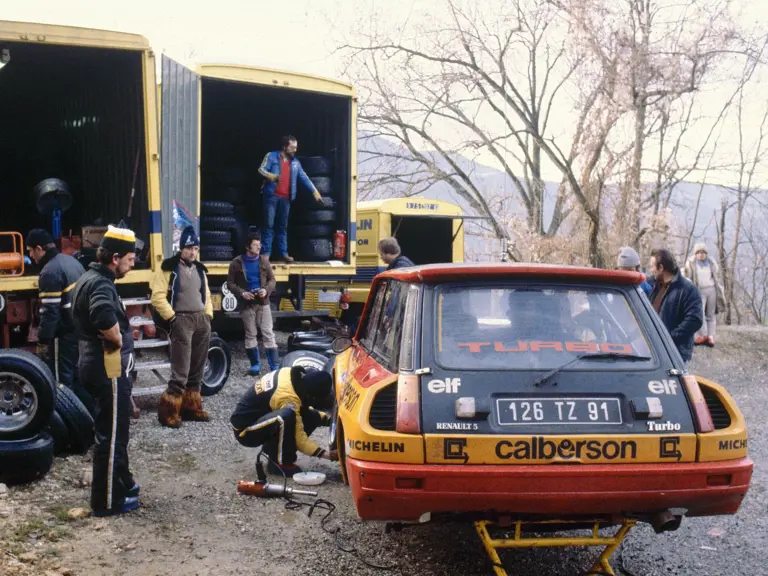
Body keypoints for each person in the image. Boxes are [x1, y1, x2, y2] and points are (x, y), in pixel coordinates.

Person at [71, 225, 139, 517]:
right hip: (106, 368)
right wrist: (119, 337)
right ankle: (107, 502)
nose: (133, 262)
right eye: (129, 258)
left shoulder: (90, 277)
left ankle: (123, 482)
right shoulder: (100, 285)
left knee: (113, 431)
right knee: (111, 437)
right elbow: (103, 318)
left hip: (94, 365)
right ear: (114, 258)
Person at [151, 225, 213, 428]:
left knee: (197, 368)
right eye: (189, 248)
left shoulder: (200, 269)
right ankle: (168, 412)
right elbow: (157, 297)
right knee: (181, 369)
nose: (193, 252)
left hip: (201, 320)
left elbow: (207, 295)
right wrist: (172, 318)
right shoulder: (169, 267)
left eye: (195, 248)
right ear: (181, 248)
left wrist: (208, 316)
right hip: (182, 320)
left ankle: (191, 408)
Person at [25, 228, 93, 412]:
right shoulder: (70, 261)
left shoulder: (49, 271)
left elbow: (50, 313)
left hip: (64, 333)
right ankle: (94, 417)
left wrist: (43, 340)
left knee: (61, 382)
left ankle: (72, 426)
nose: (31, 256)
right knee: (77, 377)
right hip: (80, 328)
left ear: (39, 248)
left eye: (30, 251)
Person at [230, 366, 338, 477]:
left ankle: (272, 450)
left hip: (260, 419)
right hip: (245, 431)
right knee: (284, 417)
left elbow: (304, 411)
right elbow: (299, 438)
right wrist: (328, 455)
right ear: (311, 396)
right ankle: (279, 464)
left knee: (307, 416)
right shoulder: (288, 398)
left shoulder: (289, 375)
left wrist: (331, 421)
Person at [258, 135, 324, 263]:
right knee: (269, 225)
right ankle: (265, 254)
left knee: (282, 227)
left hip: (286, 198)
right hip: (271, 197)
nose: (295, 150)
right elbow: (261, 169)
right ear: (284, 147)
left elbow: (304, 177)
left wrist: (314, 191)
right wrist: (270, 176)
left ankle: (284, 253)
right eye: (292, 147)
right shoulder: (271, 156)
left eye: (296, 147)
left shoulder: (295, 163)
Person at [226, 232, 279, 375]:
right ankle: (255, 365)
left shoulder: (264, 261)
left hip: (263, 302)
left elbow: (272, 280)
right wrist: (242, 293)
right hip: (246, 303)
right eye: (255, 245)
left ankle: (274, 366)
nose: (259, 247)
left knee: (268, 333)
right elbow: (230, 283)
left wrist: (266, 290)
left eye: (259, 244)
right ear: (247, 247)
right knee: (250, 334)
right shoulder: (236, 263)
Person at [648, 248, 703, 366]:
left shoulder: (688, 289)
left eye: (652, 266)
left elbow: (695, 320)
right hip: (655, 351)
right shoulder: (656, 285)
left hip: (675, 354)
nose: (651, 270)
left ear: (661, 268)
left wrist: (669, 338)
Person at [683, 243, 725, 347]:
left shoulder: (711, 262)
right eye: (698, 252)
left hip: (711, 290)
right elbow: (687, 274)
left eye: (703, 252)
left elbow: (717, 275)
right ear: (695, 254)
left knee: (710, 315)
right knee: (699, 313)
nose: (701, 255)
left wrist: (720, 289)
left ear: (706, 253)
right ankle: (703, 335)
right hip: (698, 291)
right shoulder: (691, 262)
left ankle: (710, 337)